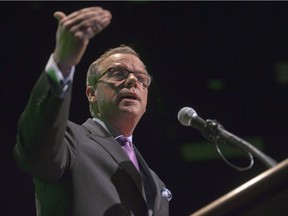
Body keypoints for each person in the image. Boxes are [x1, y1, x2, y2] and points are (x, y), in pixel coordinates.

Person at [13, 6, 171, 216]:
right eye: (118, 73)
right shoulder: (70, 141)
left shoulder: (156, 182)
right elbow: (34, 149)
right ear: (91, 93)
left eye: (141, 78)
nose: (133, 80)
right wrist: (61, 64)